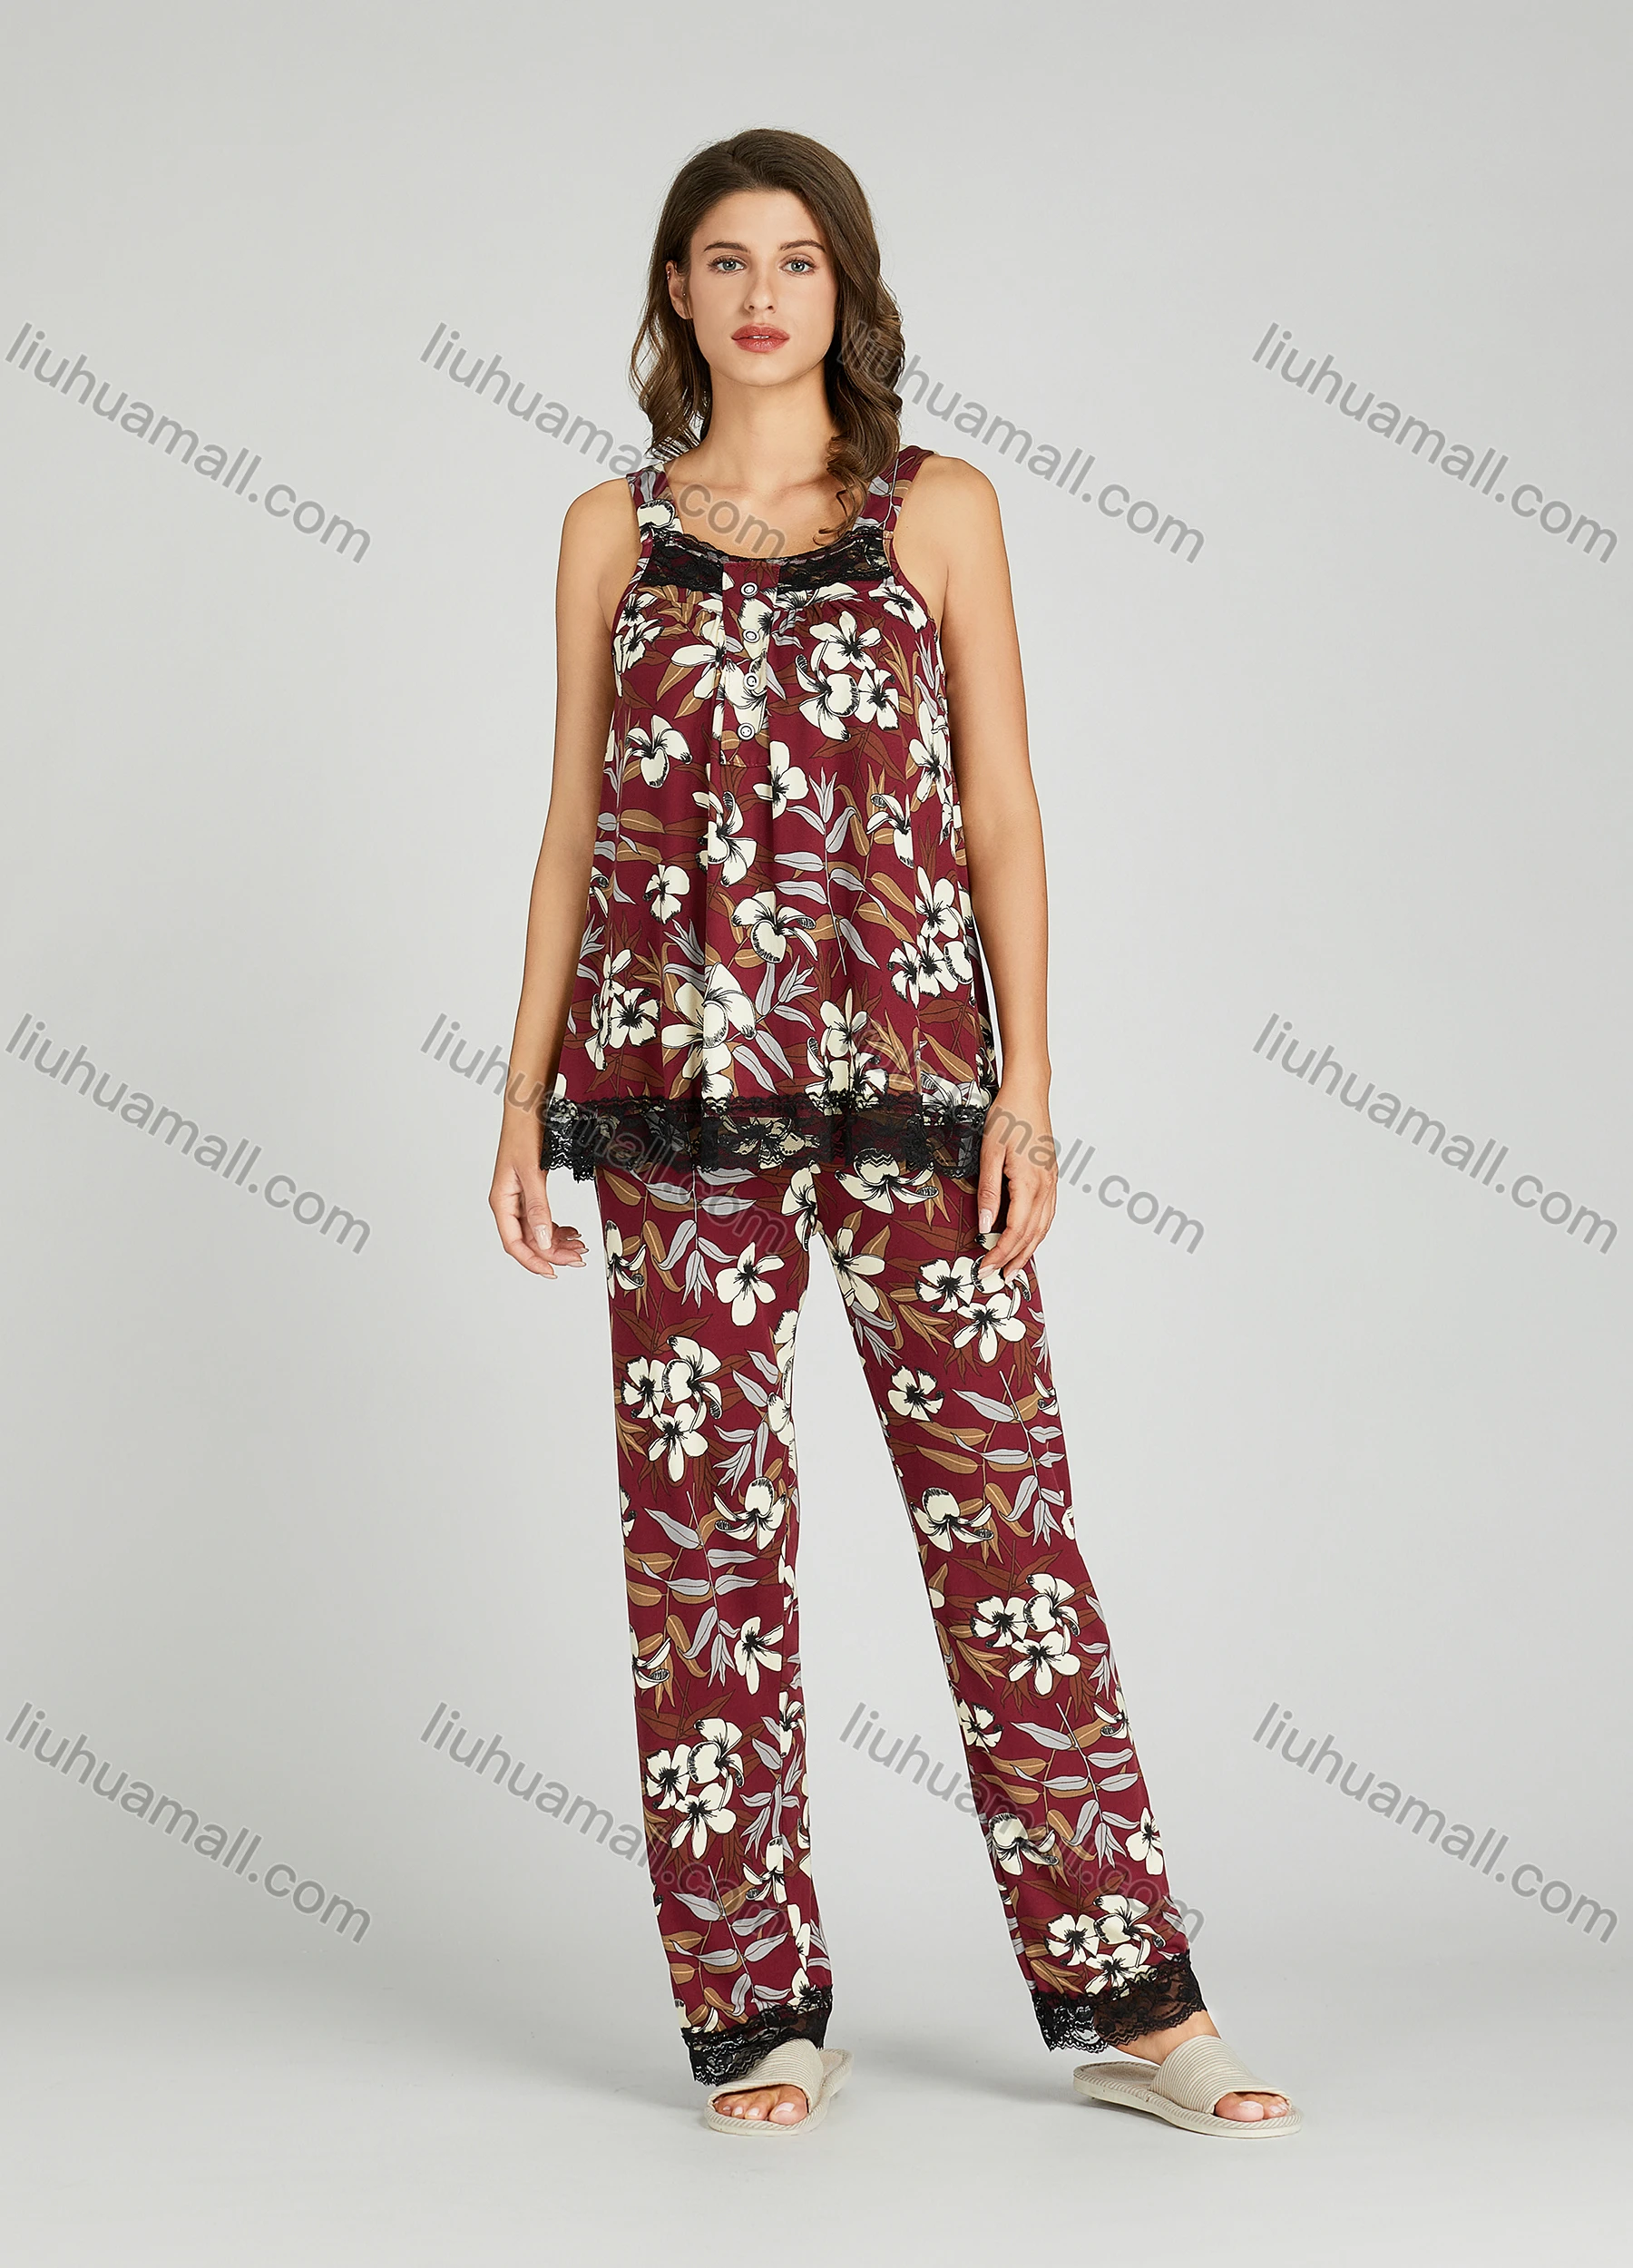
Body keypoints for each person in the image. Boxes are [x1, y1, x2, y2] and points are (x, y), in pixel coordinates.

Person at [490, 128, 1300, 2142]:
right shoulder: (606, 530)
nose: (763, 293)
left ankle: (1138, 1999)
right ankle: (754, 2013)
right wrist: (522, 1103)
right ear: (676, 293)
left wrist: (1031, 1083)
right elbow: (575, 826)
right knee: (702, 1553)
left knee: (1005, 1525)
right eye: (724, 259)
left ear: (844, 287)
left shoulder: (939, 509)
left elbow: (1001, 809)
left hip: (917, 1087)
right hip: (669, 1099)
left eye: (798, 259)